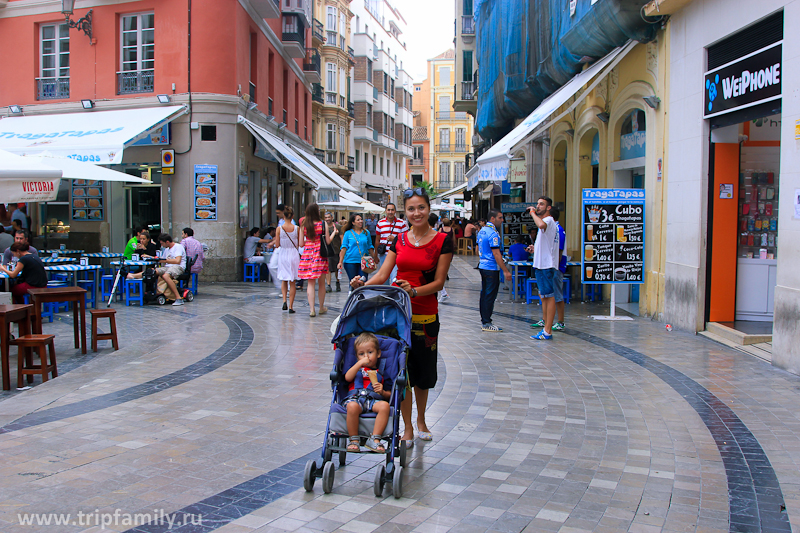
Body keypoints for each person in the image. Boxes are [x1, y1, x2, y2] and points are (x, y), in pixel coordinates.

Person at [350, 187, 453, 448]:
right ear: (404, 212)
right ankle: (407, 426)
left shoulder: (443, 240)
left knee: (424, 373)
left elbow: (440, 282)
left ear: (428, 209)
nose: (416, 213)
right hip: (397, 315)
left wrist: (415, 291)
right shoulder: (400, 239)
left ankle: (421, 420)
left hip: (426, 314)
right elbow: (384, 274)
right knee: (402, 374)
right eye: (411, 209)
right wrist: (362, 285)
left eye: (421, 207)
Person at [343, 332, 391, 453]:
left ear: (378, 353)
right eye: (361, 354)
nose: (366, 357)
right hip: (355, 398)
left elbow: (391, 394)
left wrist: (383, 392)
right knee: (352, 407)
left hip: (373, 400)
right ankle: (354, 439)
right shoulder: (356, 368)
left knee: (385, 406)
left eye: (370, 352)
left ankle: (375, 438)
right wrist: (358, 363)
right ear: (356, 356)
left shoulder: (382, 371)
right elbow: (348, 378)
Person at [528, 197, 560, 340]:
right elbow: (547, 243)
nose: (538, 206)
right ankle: (546, 328)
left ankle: (548, 331)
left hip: (546, 265)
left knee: (549, 296)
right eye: (537, 204)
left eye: (541, 204)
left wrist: (533, 213)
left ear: (548, 208)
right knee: (545, 296)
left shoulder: (548, 221)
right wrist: (535, 248)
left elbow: (541, 225)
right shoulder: (547, 223)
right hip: (541, 264)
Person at [127, 234, 186, 306]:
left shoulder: (178, 247)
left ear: (167, 242)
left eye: (162, 243)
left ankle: (178, 298)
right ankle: (132, 275)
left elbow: (177, 261)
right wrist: (151, 257)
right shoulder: (167, 249)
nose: (162, 245)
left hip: (177, 267)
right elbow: (162, 259)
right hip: (167, 267)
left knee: (166, 276)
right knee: (151, 271)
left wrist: (164, 261)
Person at [477, 209, 512, 332]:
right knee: (489, 295)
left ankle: (484, 319)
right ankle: (486, 322)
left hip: (483, 266)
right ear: (492, 218)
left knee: (484, 294)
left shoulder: (482, 231)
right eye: (500, 218)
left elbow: (478, 249)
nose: (502, 220)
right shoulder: (493, 233)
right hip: (491, 268)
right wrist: (505, 271)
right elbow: (496, 253)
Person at [298, 203, 330, 317]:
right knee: (321, 283)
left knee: (310, 283)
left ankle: (312, 309)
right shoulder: (323, 224)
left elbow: (301, 243)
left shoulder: (303, 225)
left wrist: (309, 242)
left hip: (307, 254)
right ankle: (321, 307)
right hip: (320, 255)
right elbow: (327, 241)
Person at [338, 214, 377, 290]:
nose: (361, 221)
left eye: (361, 219)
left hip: (364, 262)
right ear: (353, 222)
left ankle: (361, 299)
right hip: (350, 262)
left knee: (362, 282)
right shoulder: (348, 233)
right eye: (358, 220)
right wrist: (340, 262)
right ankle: (352, 297)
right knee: (353, 282)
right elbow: (344, 248)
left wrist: (374, 257)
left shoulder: (366, 232)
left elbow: (370, 246)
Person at [273, 207, 300, 313]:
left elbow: (277, 244)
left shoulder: (279, 229)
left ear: (283, 216)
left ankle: (284, 300)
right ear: (292, 216)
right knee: (292, 281)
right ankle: (291, 306)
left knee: (284, 279)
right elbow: (300, 244)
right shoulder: (297, 228)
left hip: (283, 254)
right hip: (293, 253)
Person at [375, 203, 408, 280]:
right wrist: (375, 255)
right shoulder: (380, 223)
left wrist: (395, 239)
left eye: (392, 210)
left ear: (395, 211)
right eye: (388, 210)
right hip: (383, 255)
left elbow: (406, 240)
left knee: (395, 278)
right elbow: (377, 240)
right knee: (383, 278)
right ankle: (385, 292)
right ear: (386, 211)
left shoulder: (402, 223)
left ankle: (394, 292)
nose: (390, 212)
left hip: (397, 255)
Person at [323, 212, 342, 292]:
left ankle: (338, 282)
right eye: (326, 217)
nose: (327, 219)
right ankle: (328, 285)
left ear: (332, 217)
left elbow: (342, 238)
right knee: (328, 269)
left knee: (337, 268)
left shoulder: (338, 227)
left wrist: (342, 249)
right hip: (327, 250)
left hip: (336, 250)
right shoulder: (323, 227)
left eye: (328, 217)